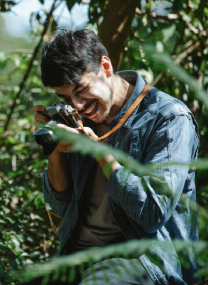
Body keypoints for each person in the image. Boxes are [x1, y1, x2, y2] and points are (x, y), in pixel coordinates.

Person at [33, 28, 200, 285]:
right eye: (66, 98)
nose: (77, 105)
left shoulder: (168, 118)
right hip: (77, 258)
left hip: (144, 261)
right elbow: (61, 206)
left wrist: (99, 153)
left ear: (106, 66)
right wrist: (54, 151)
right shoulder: (79, 118)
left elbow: (152, 212)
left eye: (81, 89)